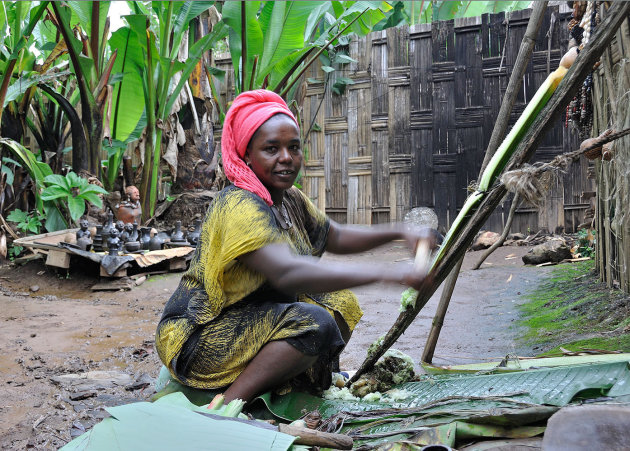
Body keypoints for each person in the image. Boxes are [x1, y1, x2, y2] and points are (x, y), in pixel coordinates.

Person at [155, 90, 439, 403]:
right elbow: (289, 274)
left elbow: (336, 237)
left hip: (250, 318)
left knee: (338, 301)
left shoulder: (288, 198)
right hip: (200, 338)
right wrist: (387, 274)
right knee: (313, 323)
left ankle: (298, 379)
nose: (286, 158)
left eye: (293, 147)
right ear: (247, 155)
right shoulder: (239, 205)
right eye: (271, 149)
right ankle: (229, 404)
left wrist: (402, 232)